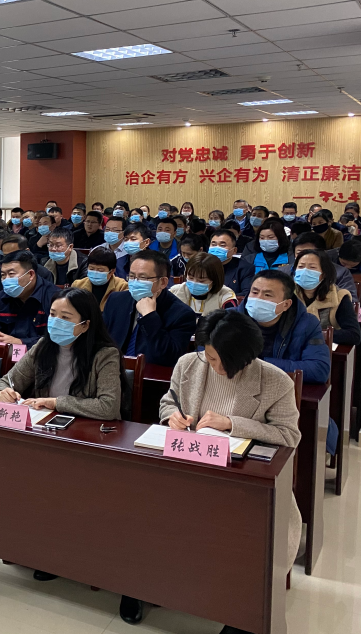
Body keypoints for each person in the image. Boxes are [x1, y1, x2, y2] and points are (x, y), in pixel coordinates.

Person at [154, 310, 301, 632]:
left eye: (225, 361)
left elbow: (289, 436)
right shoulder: (188, 365)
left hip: (244, 482)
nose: (216, 367)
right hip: (190, 471)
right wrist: (172, 417)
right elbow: (168, 401)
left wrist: (233, 424)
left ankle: (245, 611)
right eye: (210, 358)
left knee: (243, 539)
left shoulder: (275, 381)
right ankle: (150, 586)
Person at [0, 287, 124, 423]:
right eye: (52, 314)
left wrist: (56, 403)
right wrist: (1, 393)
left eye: (65, 317)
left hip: (88, 428)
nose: (56, 321)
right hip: (46, 425)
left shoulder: (105, 354)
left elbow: (108, 407)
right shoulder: (42, 346)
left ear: (85, 325)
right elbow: (6, 382)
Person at [102, 249, 196, 367]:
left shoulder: (182, 314)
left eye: (143, 278)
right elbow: (101, 340)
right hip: (112, 369)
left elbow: (170, 358)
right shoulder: (116, 300)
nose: (135, 282)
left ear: (163, 282)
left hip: (152, 375)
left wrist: (150, 317)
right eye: (132, 276)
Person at [238, 270, 330, 384]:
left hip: (281, 388)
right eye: (255, 292)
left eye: (267, 295)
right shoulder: (228, 319)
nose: (258, 298)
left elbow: (319, 370)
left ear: (286, 304)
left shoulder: (307, 324)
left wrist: (258, 365)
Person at [0, 251, 58, 347]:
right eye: (3, 275)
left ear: (31, 274)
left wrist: (20, 342)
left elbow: (57, 339)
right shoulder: (1, 297)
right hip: (4, 352)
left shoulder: (54, 298)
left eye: (11, 274)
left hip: (40, 354)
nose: (6, 279)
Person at [292, 249, 361, 347]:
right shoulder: (287, 293)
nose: (305, 271)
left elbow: (354, 335)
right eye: (301, 267)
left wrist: (316, 334)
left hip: (322, 349)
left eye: (312, 267)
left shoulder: (339, 296)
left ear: (324, 273)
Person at [281, 232, 358, 300]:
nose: (305, 257)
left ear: (323, 253)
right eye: (299, 253)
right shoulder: (282, 272)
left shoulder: (341, 273)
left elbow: (351, 299)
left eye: (311, 252)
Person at [170, 253, 238, 315]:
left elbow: (230, 321)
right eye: (191, 278)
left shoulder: (225, 295)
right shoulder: (174, 291)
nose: (194, 282)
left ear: (215, 280)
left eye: (201, 281)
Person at [208, 229, 253, 295]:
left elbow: (246, 294)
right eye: (214, 245)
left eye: (222, 245)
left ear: (234, 250)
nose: (217, 249)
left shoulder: (245, 268)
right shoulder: (202, 266)